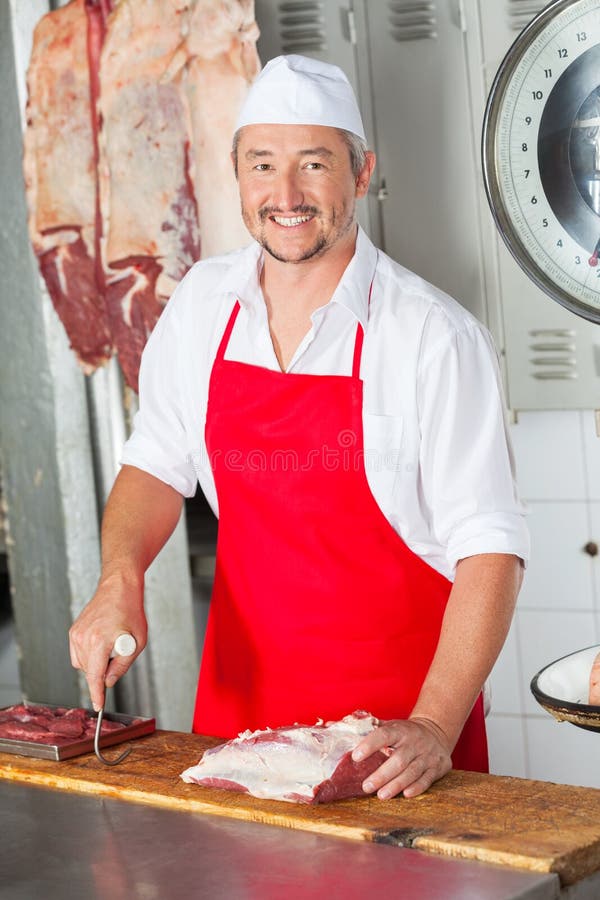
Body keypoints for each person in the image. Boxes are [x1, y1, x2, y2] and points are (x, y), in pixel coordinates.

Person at [70, 55, 529, 800]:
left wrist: (437, 726)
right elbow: (155, 463)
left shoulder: (432, 336)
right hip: (240, 727)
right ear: (237, 174)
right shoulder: (200, 308)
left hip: (397, 743)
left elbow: (491, 552)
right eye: (262, 165)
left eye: (313, 165)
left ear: (360, 171)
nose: (285, 195)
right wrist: (118, 581)